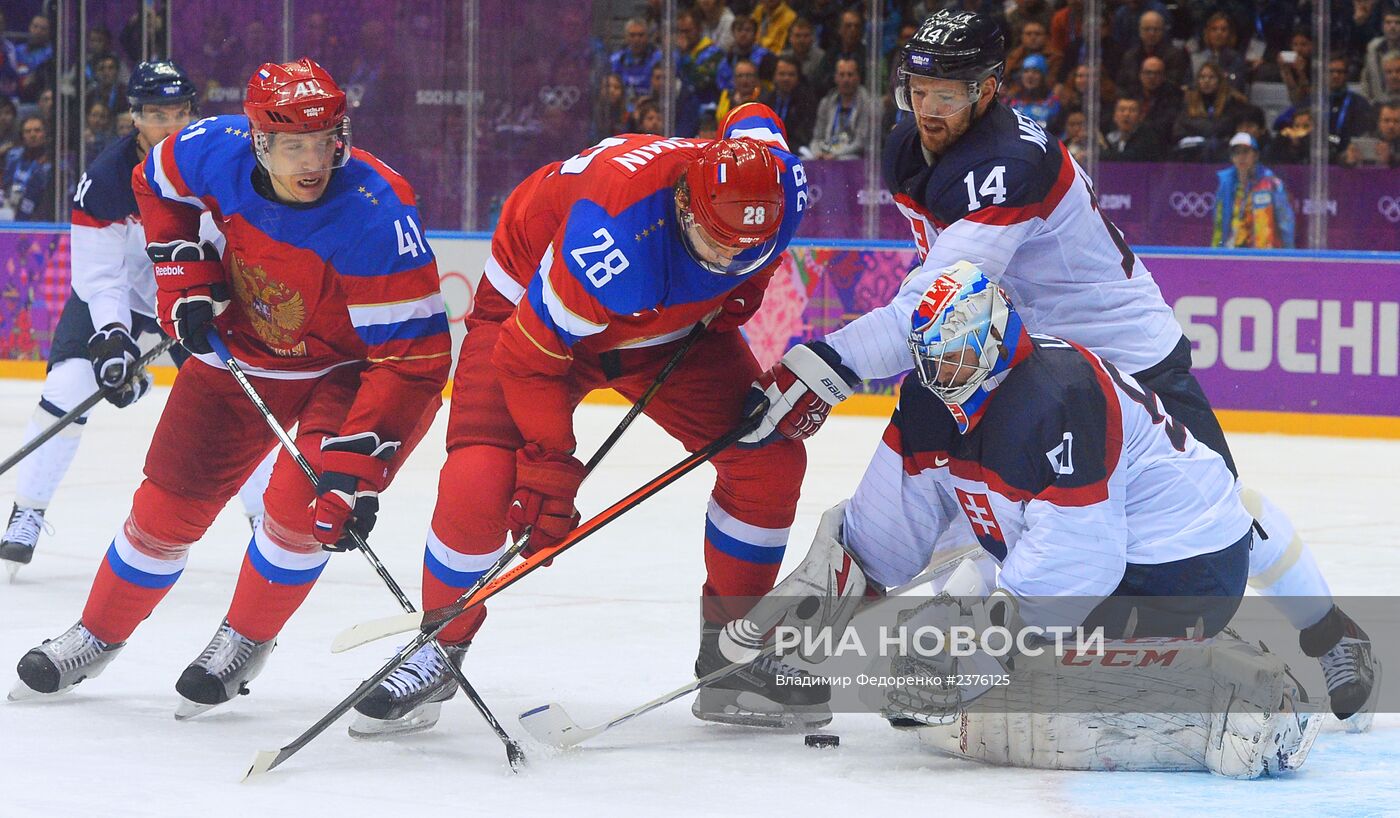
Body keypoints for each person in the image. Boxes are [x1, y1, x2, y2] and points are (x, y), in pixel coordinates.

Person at [740, 9, 1377, 727]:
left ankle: (1331, 635)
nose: (928, 109)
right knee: (976, 507)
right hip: (1014, 357)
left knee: (1214, 505)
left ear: (988, 89)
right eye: (916, 89)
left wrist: (824, 362)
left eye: (947, 93)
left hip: (1121, 357)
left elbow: (927, 308)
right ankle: (850, 650)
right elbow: (944, 299)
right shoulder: (911, 145)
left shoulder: (1010, 166)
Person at [347, 104, 824, 738]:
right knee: (482, 479)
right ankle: (438, 644)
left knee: (768, 457)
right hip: (533, 324)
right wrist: (549, 466)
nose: (729, 260)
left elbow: (755, 116)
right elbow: (528, 356)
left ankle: (731, 659)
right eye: (717, 243)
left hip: (667, 330)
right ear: (685, 206)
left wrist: (746, 281)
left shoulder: (777, 183)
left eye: (751, 248)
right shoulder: (615, 237)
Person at [739, 265, 1318, 778]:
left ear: (998, 339)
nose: (944, 376)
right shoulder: (929, 402)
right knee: (940, 638)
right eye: (931, 359)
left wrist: (985, 646)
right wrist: (831, 587)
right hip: (1111, 561)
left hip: (1186, 568)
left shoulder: (1057, 396)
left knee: (1015, 684)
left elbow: (1080, 566)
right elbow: (888, 531)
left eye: (958, 355)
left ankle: (1237, 693)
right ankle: (1173, 663)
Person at [10, 59, 451, 720]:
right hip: (247, 348)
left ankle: (246, 638)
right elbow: (153, 187)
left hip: (353, 372)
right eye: (294, 145)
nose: (313, 161)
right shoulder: (204, 149)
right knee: (166, 507)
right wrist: (185, 276)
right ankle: (97, 633)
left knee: (300, 511)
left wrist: (354, 472)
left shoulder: (379, 213)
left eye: (325, 141)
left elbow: (414, 362)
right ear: (258, 141)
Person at [1212, 132, 1295, 249]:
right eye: (1236, 153)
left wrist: (1288, 254)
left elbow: (1285, 221)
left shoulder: (1271, 183)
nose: (1241, 157)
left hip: (1265, 254)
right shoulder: (1226, 184)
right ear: (1231, 157)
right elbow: (1219, 224)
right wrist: (1216, 252)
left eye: (1246, 152)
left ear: (1255, 155)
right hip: (1232, 253)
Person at [1173, 62, 1251, 161]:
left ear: (1219, 80)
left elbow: (1221, 127)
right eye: (1202, 77)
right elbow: (1178, 129)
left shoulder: (1232, 101)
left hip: (1223, 149)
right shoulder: (1189, 100)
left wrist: (1196, 127)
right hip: (1192, 149)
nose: (1206, 81)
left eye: (1211, 77)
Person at [807, 56, 873, 159]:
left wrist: (835, 155)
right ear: (835, 78)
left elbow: (861, 142)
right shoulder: (826, 102)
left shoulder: (868, 104)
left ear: (858, 78)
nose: (846, 79)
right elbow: (817, 138)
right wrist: (817, 153)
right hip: (826, 153)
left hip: (852, 156)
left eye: (850, 75)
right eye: (841, 75)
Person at [1117, 9, 1188, 90]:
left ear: (1163, 31)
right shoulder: (1129, 56)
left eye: (1156, 29)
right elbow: (1121, 85)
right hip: (1133, 100)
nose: (1152, 33)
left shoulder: (1175, 56)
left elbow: (1173, 85)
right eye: (1147, 29)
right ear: (1140, 31)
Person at [0, 115, 54, 221]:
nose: (32, 135)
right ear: (22, 136)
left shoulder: (53, 163)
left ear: (45, 134)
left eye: (37, 130)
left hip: (41, 220)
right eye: (28, 131)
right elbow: (5, 187)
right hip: (11, 216)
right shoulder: (13, 159)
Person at [761, 55, 818, 152]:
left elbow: (804, 134)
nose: (786, 78)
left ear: (798, 77)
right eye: (782, 74)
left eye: (791, 74)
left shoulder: (807, 101)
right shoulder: (765, 101)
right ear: (774, 76)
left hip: (797, 150)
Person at [1190, 11, 1248, 92]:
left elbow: (1234, 85)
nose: (1219, 33)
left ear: (1230, 34)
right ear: (1207, 32)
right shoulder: (1197, 57)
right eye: (1214, 29)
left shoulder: (1236, 59)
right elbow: (1189, 83)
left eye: (1223, 30)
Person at [1004, 53, 1060, 130]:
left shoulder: (1052, 103)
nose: (1030, 76)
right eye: (1026, 71)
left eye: (1035, 72)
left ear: (1043, 77)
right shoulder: (1010, 101)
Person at [611, 18, 663, 102]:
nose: (637, 40)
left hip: (652, 105)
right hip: (623, 107)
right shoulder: (616, 60)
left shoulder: (659, 59)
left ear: (647, 37)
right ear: (626, 37)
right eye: (632, 35)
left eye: (641, 35)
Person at [1004, 21, 1063, 85]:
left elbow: (1052, 82)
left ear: (1046, 37)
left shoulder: (1056, 57)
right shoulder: (1014, 55)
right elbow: (1005, 77)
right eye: (1028, 34)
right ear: (1022, 37)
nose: (1033, 38)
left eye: (1037, 34)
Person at [1361, 8, 1400, 103]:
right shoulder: (1373, 48)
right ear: (1383, 26)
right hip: (1378, 106)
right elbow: (1366, 80)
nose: (1392, 26)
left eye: (1397, 23)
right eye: (1388, 22)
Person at [716, 59, 762, 124]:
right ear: (733, 79)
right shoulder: (726, 96)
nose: (744, 80)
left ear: (756, 78)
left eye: (748, 75)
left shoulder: (764, 99)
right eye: (740, 76)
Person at [781, 17, 825, 86]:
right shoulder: (782, 58)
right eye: (797, 36)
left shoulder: (821, 58)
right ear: (790, 38)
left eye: (806, 36)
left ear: (813, 38)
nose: (801, 40)